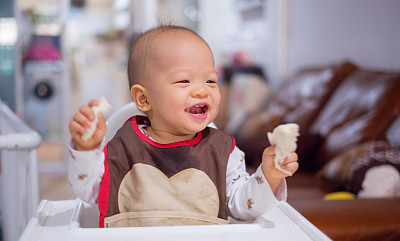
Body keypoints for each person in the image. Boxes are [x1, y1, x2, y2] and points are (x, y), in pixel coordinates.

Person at [68, 25, 299, 228]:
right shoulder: (123, 147)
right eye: (184, 81)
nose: (202, 90)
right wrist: (86, 149)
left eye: (210, 80)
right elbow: (87, 191)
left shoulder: (223, 153)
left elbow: (243, 207)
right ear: (144, 99)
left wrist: (269, 176)